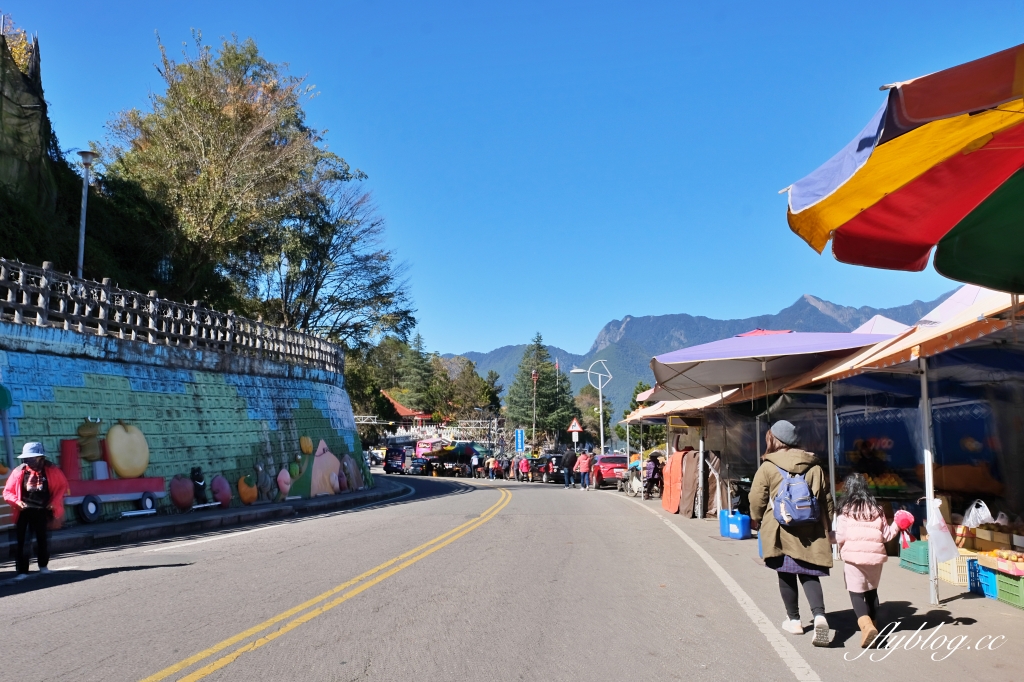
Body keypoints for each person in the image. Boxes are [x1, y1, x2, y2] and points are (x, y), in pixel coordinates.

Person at [748, 421, 834, 647]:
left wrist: (756, 518)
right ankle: (820, 616)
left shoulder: (768, 466)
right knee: (809, 574)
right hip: (811, 530)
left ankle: (794, 620)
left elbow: (757, 499)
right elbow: (826, 500)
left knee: (785, 573)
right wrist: (829, 527)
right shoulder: (814, 466)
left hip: (780, 530)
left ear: (774, 439)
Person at [835, 473, 901, 648]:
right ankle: (874, 626)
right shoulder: (877, 510)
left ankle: (866, 627)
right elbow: (886, 535)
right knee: (871, 592)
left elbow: (840, 536)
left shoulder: (845, 511)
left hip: (853, 559)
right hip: (875, 558)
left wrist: (826, 537)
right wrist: (897, 524)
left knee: (856, 593)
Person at [3, 442, 70, 580]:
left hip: (43, 511)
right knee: (22, 541)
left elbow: (62, 487)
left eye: (32, 459)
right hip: (23, 512)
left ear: (41, 458)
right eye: (26, 459)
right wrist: (17, 502)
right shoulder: (19, 471)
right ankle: (22, 571)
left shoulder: (52, 470)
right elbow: (7, 492)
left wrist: (54, 502)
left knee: (43, 540)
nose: (29, 462)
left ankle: (43, 566)